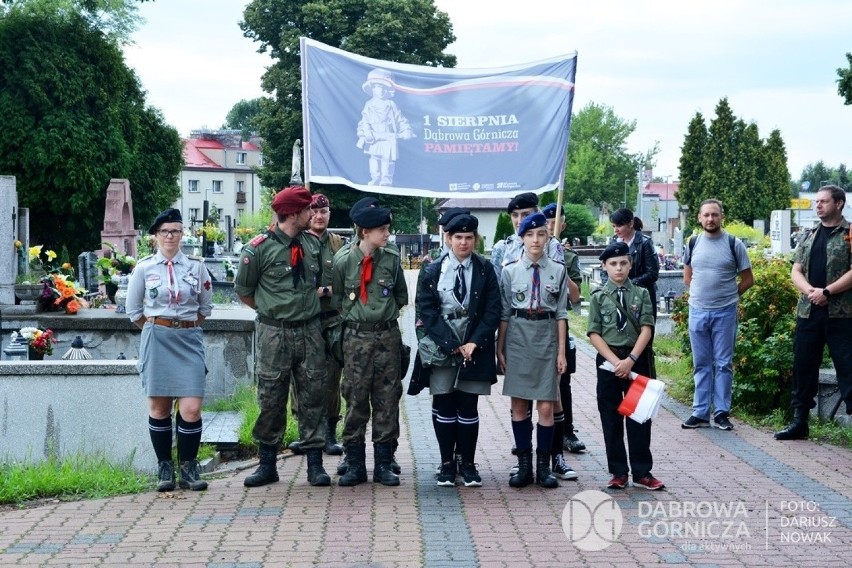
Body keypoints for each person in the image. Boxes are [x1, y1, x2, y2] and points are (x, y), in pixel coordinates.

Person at [235, 186, 332, 487]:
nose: (312, 214)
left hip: (310, 331)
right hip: (274, 333)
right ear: (292, 213)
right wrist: (273, 311)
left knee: (314, 395)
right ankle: (267, 464)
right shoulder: (258, 249)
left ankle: (315, 465)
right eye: (306, 210)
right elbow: (244, 292)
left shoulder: (311, 244)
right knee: (271, 398)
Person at [126, 208, 213, 492]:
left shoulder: (197, 268)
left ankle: (188, 467)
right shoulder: (144, 268)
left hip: (188, 338)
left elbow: (204, 308)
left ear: (182, 234)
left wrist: (182, 325)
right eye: (164, 231)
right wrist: (158, 327)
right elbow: (134, 311)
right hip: (157, 337)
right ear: (155, 236)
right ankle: (165, 467)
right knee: (159, 407)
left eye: (175, 230)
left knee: (191, 408)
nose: (170, 236)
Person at [415, 213, 501, 487]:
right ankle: (446, 463)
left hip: (475, 346)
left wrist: (475, 342)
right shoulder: (431, 269)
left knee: (468, 404)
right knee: (444, 402)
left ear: (475, 239)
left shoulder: (486, 269)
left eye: (469, 237)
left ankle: (468, 462)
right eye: (458, 237)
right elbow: (426, 310)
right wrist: (450, 344)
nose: (464, 242)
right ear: (448, 238)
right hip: (444, 346)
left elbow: (492, 309)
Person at [332, 203, 409, 486]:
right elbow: (338, 298)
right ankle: (354, 463)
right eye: (382, 230)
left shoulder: (390, 259)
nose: (387, 234)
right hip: (356, 339)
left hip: (387, 337)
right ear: (365, 232)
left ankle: (384, 464)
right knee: (354, 399)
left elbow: (401, 296)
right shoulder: (343, 261)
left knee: (387, 399)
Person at [497, 212, 568, 489]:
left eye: (541, 234)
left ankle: (544, 467)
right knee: (518, 405)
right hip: (517, 337)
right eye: (530, 235)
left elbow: (561, 313)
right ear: (522, 238)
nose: (536, 240)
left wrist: (562, 352)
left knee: (547, 406)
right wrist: (499, 349)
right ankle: (524, 466)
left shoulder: (558, 270)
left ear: (548, 237)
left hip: (546, 338)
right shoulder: (509, 270)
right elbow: (504, 314)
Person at [776, 185, 852, 440]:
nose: (818, 205)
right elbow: (796, 269)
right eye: (816, 201)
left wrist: (827, 292)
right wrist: (810, 290)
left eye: (823, 201)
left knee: (848, 367)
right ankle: (800, 423)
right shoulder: (809, 235)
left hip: (842, 314)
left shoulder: (850, 232)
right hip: (809, 312)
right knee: (803, 366)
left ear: (839, 204)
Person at [587, 241, 663, 490]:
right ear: (604, 267)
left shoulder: (640, 293)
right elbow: (594, 333)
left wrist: (630, 360)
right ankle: (618, 471)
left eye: (623, 263)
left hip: (635, 359)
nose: (618, 268)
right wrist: (615, 361)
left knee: (638, 418)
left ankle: (642, 472)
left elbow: (647, 328)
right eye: (613, 264)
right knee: (610, 417)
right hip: (609, 362)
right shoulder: (598, 296)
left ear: (630, 265)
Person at [680, 199, 753, 431]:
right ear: (699, 218)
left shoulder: (734, 244)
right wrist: (700, 297)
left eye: (715, 215)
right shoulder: (693, 243)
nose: (710, 219)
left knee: (723, 364)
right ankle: (700, 412)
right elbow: (687, 277)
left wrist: (730, 296)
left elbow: (748, 279)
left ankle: (721, 412)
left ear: (722, 217)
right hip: (697, 311)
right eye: (706, 215)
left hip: (725, 312)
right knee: (701, 363)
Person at [288, 193, 345, 456]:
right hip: (305, 320)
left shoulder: (338, 244)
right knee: (303, 379)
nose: (319, 216)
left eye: (324, 212)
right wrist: (322, 291)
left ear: (329, 214)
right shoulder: (297, 241)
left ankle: (330, 433)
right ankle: (306, 433)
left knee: (332, 379)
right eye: (315, 212)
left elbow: (347, 281)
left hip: (332, 321)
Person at [542, 203, 585, 468]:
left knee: (563, 381)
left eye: (554, 222)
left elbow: (576, 295)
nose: (548, 226)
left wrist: (561, 266)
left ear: (562, 226)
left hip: (560, 323)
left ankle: (567, 432)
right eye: (545, 222)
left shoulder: (567, 257)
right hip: (535, 326)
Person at [356, 68, 415, 186]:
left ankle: (386, 180)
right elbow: (364, 121)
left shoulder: (391, 104)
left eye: (384, 87)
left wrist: (406, 130)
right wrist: (366, 132)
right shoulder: (369, 105)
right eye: (378, 86)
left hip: (388, 137)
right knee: (374, 158)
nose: (381, 90)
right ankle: (375, 178)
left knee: (387, 160)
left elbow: (400, 119)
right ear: (372, 88)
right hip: (374, 137)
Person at [491, 192, 563, 280]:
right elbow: (496, 286)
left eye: (526, 215)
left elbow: (559, 279)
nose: (520, 220)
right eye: (515, 215)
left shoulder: (551, 244)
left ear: (537, 214)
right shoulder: (502, 248)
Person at [605, 208, 660, 319]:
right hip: (618, 294)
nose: (616, 230)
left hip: (642, 295)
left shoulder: (644, 243)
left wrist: (628, 284)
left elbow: (652, 273)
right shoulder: (614, 242)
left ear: (630, 223)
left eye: (619, 226)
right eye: (614, 226)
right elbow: (604, 268)